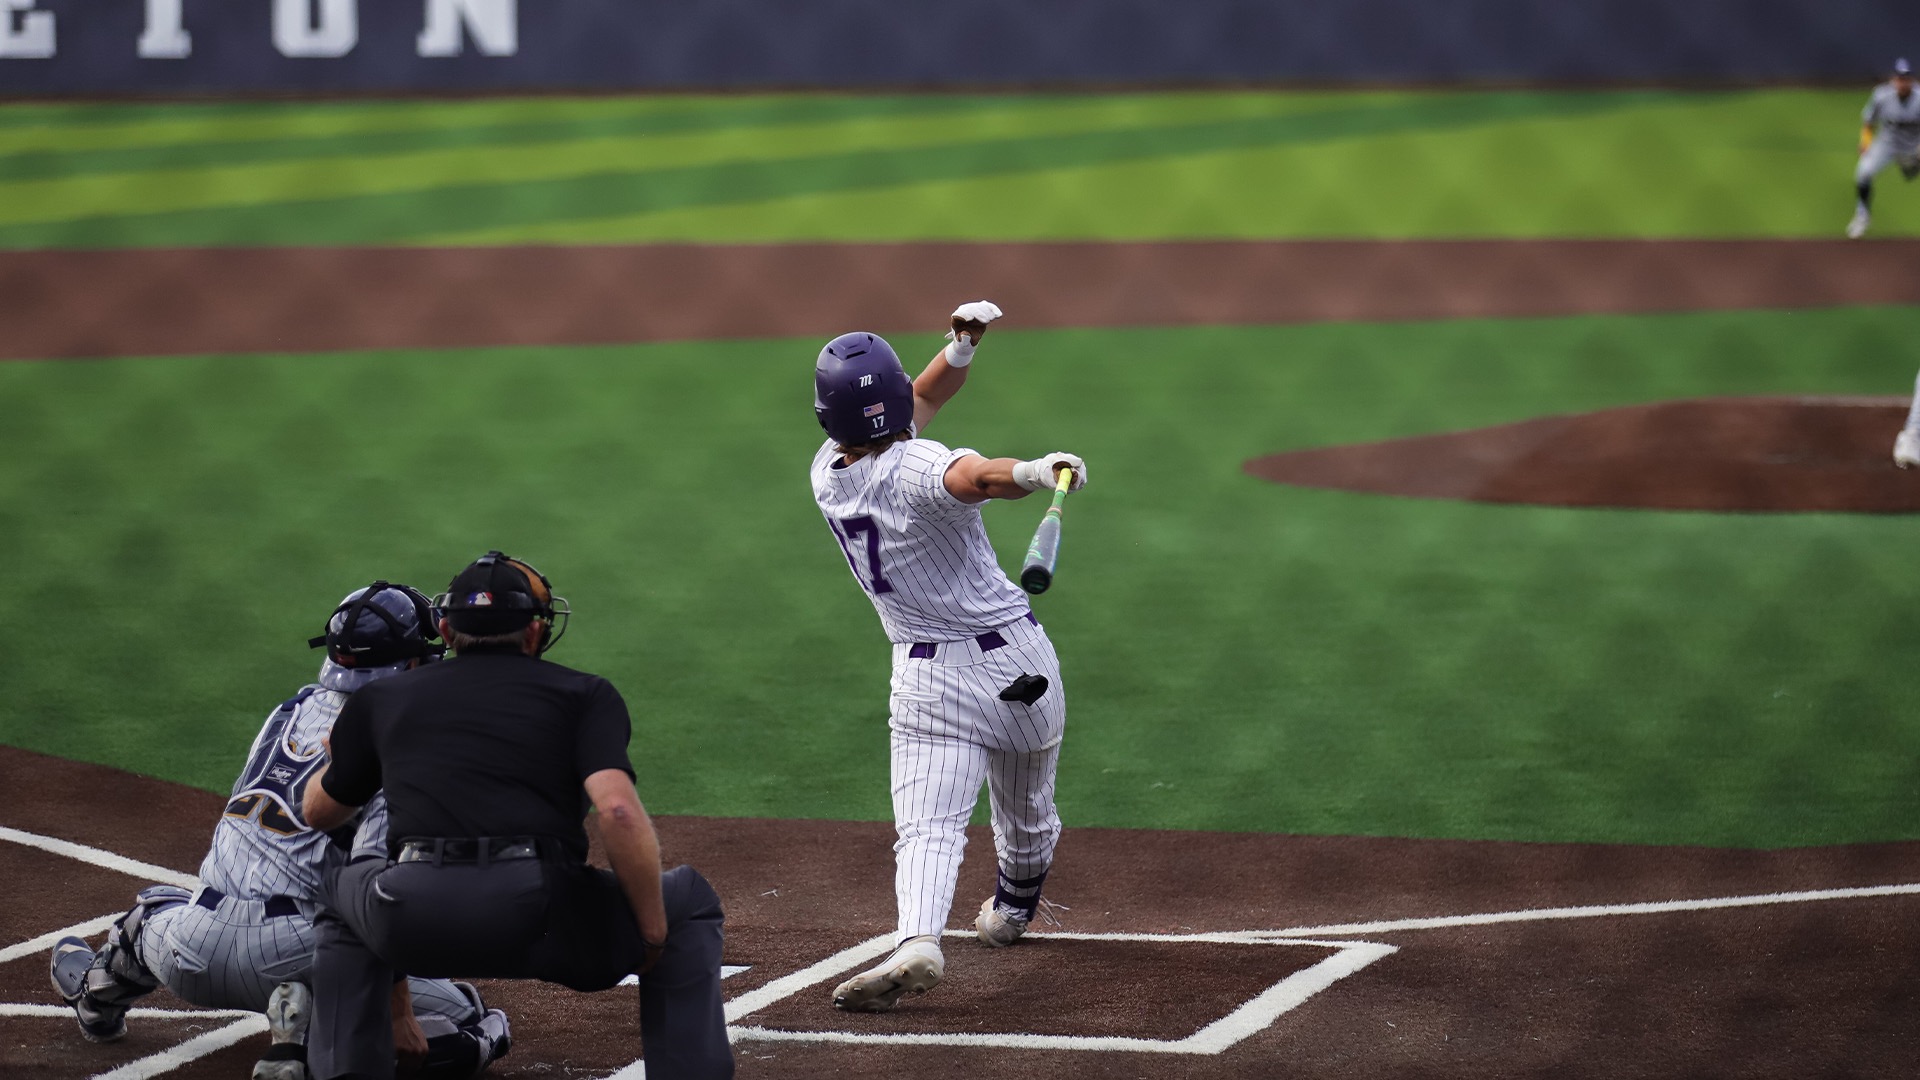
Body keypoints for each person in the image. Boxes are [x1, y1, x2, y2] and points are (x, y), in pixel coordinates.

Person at [48, 582, 512, 1080]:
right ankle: (311, 1051)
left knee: (153, 911)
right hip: (307, 947)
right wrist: (396, 1010)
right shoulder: (405, 746)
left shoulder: (289, 711)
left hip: (195, 944)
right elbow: (383, 892)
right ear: (413, 667)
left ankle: (94, 993)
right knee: (476, 1021)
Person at [300, 551, 732, 1080]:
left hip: (413, 918)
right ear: (533, 633)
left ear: (445, 629)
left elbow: (320, 813)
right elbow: (617, 809)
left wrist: (337, 762)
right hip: (545, 915)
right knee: (687, 897)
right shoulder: (584, 694)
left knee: (339, 894)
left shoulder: (385, 697)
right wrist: (650, 934)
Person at [807, 301, 1088, 1012]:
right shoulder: (921, 465)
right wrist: (1034, 469)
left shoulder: (826, 474)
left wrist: (959, 348)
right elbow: (980, 477)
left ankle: (918, 941)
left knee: (928, 827)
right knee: (1025, 814)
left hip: (925, 678)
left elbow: (919, 397)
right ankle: (1012, 911)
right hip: (1017, 668)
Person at [1847, 58, 1919, 239]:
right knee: (1863, 173)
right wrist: (1865, 142)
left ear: (1912, 80)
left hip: (1914, 146)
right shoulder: (1881, 96)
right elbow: (1869, 122)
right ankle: (1862, 215)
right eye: (1900, 78)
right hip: (1887, 145)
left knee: (1910, 172)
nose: (1903, 82)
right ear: (1893, 80)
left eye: (1906, 78)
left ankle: (1910, 167)